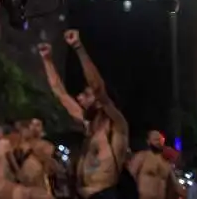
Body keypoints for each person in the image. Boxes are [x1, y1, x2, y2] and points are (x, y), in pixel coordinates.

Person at [38, 29, 129, 199]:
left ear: (99, 102)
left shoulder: (117, 125)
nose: (79, 98)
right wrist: (47, 60)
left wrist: (78, 47)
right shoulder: (89, 124)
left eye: (85, 95)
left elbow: (97, 88)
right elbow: (60, 93)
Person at [127, 130, 187, 199]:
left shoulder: (166, 163)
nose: (158, 142)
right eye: (155, 139)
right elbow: (129, 178)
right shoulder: (142, 157)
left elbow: (175, 185)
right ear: (148, 141)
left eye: (159, 140)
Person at [14, 118, 61, 194]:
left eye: (38, 125)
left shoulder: (47, 145)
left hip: (39, 185)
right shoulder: (20, 145)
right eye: (32, 124)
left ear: (42, 128)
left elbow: (50, 168)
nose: (34, 128)